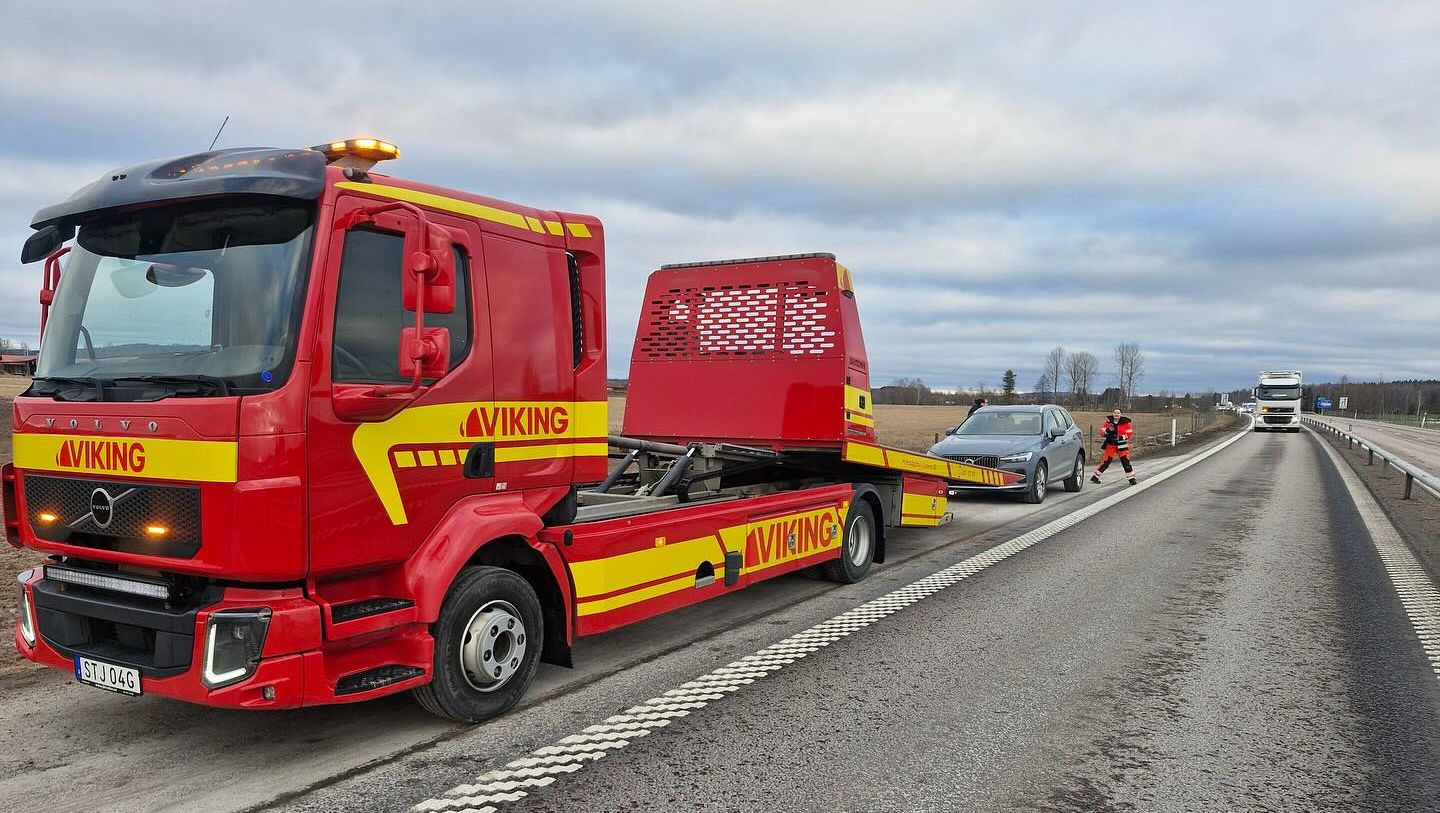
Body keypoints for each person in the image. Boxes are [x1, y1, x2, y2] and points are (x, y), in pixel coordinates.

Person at [1091, 407, 1136, 485]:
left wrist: (1121, 437)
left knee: (1125, 462)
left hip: (1122, 445)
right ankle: (1095, 477)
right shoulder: (1108, 422)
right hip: (1111, 444)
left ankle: (1131, 479)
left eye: (1118, 413)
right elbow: (1102, 432)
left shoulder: (1125, 422)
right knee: (1106, 461)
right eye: (1115, 413)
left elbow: (1129, 433)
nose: (1116, 414)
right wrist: (1108, 430)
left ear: (1121, 414)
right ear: (1113, 414)